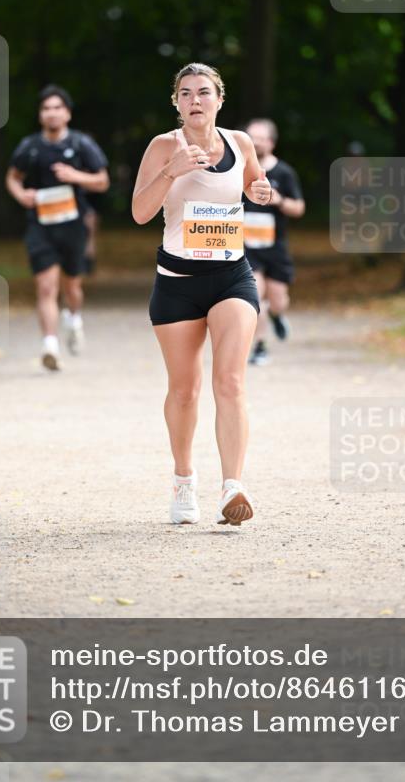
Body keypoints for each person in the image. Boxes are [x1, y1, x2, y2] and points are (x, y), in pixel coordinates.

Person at [132, 63, 272, 526]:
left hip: (232, 277)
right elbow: (139, 212)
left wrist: (261, 191)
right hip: (177, 282)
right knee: (185, 391)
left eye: (204, 92)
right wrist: (170, 172)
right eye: (187, 93)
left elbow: (254, 185)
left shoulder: (240, 143)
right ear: (176, 102)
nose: (196, 100)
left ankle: (233, 485)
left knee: (230, 381)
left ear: (219, 99)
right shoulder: (163, 147)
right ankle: (183, 479)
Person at [5, 85, 109, 370]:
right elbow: (13, 177)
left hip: (73, 224)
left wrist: (75, 176)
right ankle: (49, 345)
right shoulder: (30, 146)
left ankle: (74, 318)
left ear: (67, 114)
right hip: (40, 225)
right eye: (46, 108)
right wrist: (21, 195)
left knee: (72, 286)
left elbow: (102, 181)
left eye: (57, 108)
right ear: (40, 115)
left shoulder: (81, 144)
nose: (52, 113)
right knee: (46, 286)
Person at [243, 120, 305, 365]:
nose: (255, 142)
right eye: (251, 137)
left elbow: (299, 208)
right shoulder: (240, 169)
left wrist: (278, 200)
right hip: (246, 247)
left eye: (260, 138)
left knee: (278, 300)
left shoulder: (284, 172)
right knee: (254, 297)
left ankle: (277, 315)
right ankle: (260, 346)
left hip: (275, 247)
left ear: (271, 142)